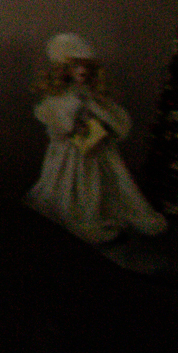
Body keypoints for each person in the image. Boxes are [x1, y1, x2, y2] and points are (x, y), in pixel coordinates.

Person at [25, 32, 168, 245]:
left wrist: (95, 112)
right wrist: (75, 112)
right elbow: (58, 127)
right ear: (65, 69)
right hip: (69, 153)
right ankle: (79, 217)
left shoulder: (93, 95)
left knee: (104, 183)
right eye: (76, 66)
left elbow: (116, 121)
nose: (82, 71)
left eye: (85, 66)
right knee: (69, 183)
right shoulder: (58, 99)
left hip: (98, 150)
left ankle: (102, 213)